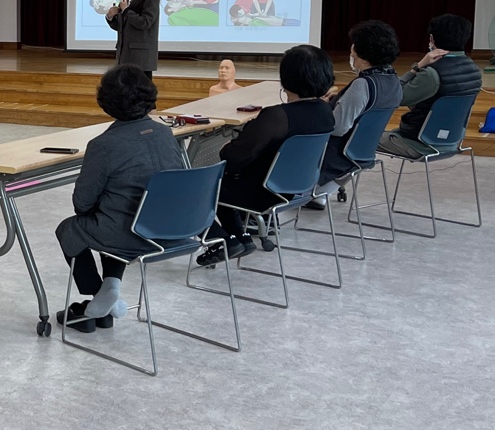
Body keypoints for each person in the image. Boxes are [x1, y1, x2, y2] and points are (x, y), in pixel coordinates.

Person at [55, 66, 183, 332]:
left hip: (132, 235)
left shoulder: (103, 145)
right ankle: (109, 287)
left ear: (106, 101)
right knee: (115, 214)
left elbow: (82, 203)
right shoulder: (165, 133)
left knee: (70, 229)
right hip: (177, 228)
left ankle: (97, 299)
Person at [195, 45, 335, 266]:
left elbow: (233, 157)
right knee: (225, 181)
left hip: (260, 192)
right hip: (297, 188)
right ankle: (240, 238)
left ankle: (223, 239)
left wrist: (234, 142)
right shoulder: (325, 111)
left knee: (197, 184)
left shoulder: (277, 116)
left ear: (286, 78)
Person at [312, 20, 402, 198]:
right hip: (363, 150)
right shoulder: (393, 80)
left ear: (363, 55)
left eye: (353, 46)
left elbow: (338, 128)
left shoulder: (363, 84)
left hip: (337, 155)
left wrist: (321, 106)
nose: (351, 51)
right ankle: (322, 192)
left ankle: (311, 189)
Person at [377, 13, 483, 159]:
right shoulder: (474, 70)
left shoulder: (432, 73)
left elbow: (395, 96)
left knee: (357, 138)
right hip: (453, 140)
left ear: (432, 39)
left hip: (420, 143)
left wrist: (418, 66)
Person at [106, 0, 159, 78]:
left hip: (140, 57)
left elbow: (145, 23)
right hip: (125, 54)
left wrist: (126, 10)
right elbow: (122, 27)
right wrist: (111, 17)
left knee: (140, 87)